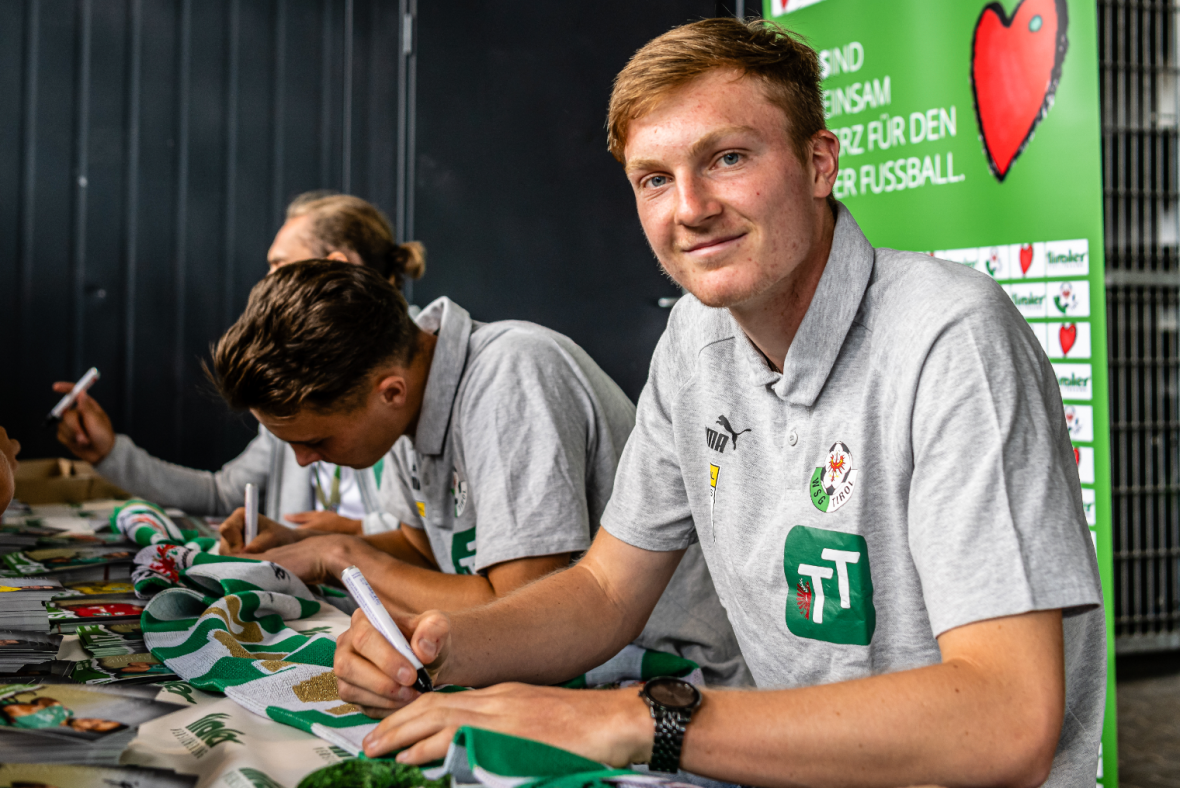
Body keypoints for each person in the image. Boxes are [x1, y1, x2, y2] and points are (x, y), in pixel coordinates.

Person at [331, 18, 1106, 788]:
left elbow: (1006, 718)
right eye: (655, 179)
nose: (690, 207)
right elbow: (606, 590)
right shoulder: (694, 340)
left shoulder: (952, 334)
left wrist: (641, 720)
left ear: (819, 163)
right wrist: (441, 644)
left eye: (728, 157)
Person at [211, 260, 751, 688]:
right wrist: (310, 542)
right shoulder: (405, 398)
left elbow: (514, 610)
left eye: (315, 441)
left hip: (672, 671)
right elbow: (423, 552)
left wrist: (340, 556)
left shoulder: (511, 377)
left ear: (389, 393)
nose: (304, 461)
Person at [52, 192, 426, 535]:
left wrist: (355, 534)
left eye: (279, 265)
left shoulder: (406, 372)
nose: (264, 282)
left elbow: (439, 541)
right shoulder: (292, 377)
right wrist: (110, 454)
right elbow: (224, 492)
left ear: (333, 269)